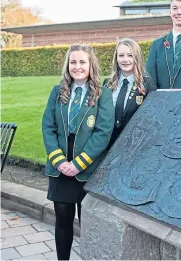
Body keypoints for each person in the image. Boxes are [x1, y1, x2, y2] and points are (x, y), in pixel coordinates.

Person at [42, 44, 114, 260]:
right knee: (63, 219)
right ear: (67, 65)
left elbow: (103, 132)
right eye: (73, 62)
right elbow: (48, 127)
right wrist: (59, 161)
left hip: (86, 169)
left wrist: (78, 164)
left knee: (88, 223)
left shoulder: (103, 94)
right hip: (61, 168)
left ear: (91, 64)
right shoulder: (57, 92)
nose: (78, 66)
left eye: (82, 62)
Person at [104, 38, 156, 147]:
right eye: (121, 55)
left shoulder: (147, 84)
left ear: (136, 57)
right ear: (116, 58)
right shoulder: (107, 83)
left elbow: (151, 118)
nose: (125, 59)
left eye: (130, 55)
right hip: (107, 144)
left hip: (134, 145)